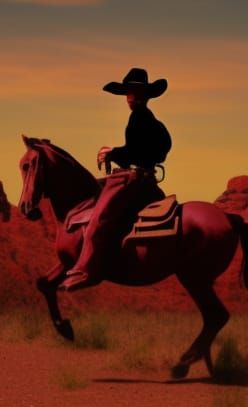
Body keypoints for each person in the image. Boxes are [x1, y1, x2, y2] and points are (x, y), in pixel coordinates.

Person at [59, 68, 172, 292]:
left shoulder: (139, 117)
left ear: (145, 95)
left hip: (133, 177)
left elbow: (135, 150)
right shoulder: (152, 121)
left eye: (135, 92)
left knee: (99, 217)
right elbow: (156, 148)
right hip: (147, 177)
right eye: (128, 92)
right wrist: (119, 152)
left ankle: (86, 269)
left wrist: (113, 153)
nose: (130, 97)